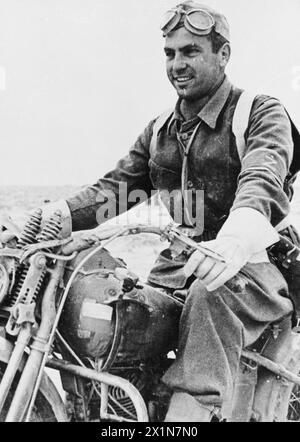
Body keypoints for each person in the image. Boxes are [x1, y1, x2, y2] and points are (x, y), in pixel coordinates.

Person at [12, 1, 299, 421]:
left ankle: (188, 418)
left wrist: (237, 237)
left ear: (223, 54)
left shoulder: (259, 111)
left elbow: (263, 177)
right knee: (114, 306)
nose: (177, 64)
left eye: (191, 52)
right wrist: (43, 220)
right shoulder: (161, 130)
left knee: (208, 296)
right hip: (176, 270)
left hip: (250, 272)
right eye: (170, 53)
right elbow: (115, 191)